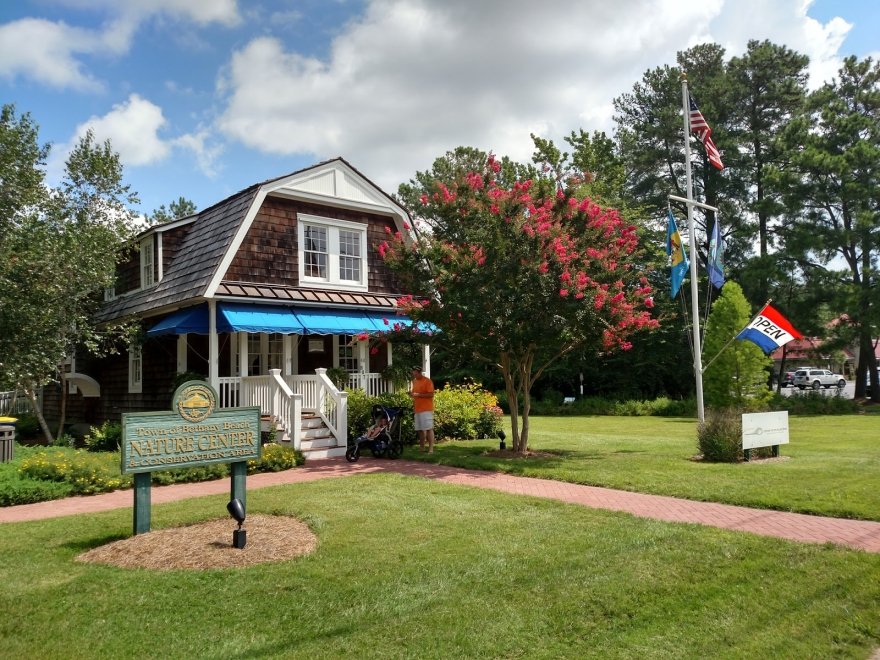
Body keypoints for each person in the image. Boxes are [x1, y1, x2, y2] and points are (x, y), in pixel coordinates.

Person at [408, 365, 435, 453]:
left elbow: (431, 394)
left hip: (426, 409)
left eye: (416, 374)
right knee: (420, 429)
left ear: (420, 373)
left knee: (428, 428)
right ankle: (422, 448)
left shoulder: (427, 381)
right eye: (413, 374)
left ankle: (431, 449)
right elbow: (415, 393)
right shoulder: (414, 381)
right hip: (417, 408)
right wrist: (411, 394)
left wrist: (418, 395)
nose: (414, 376)